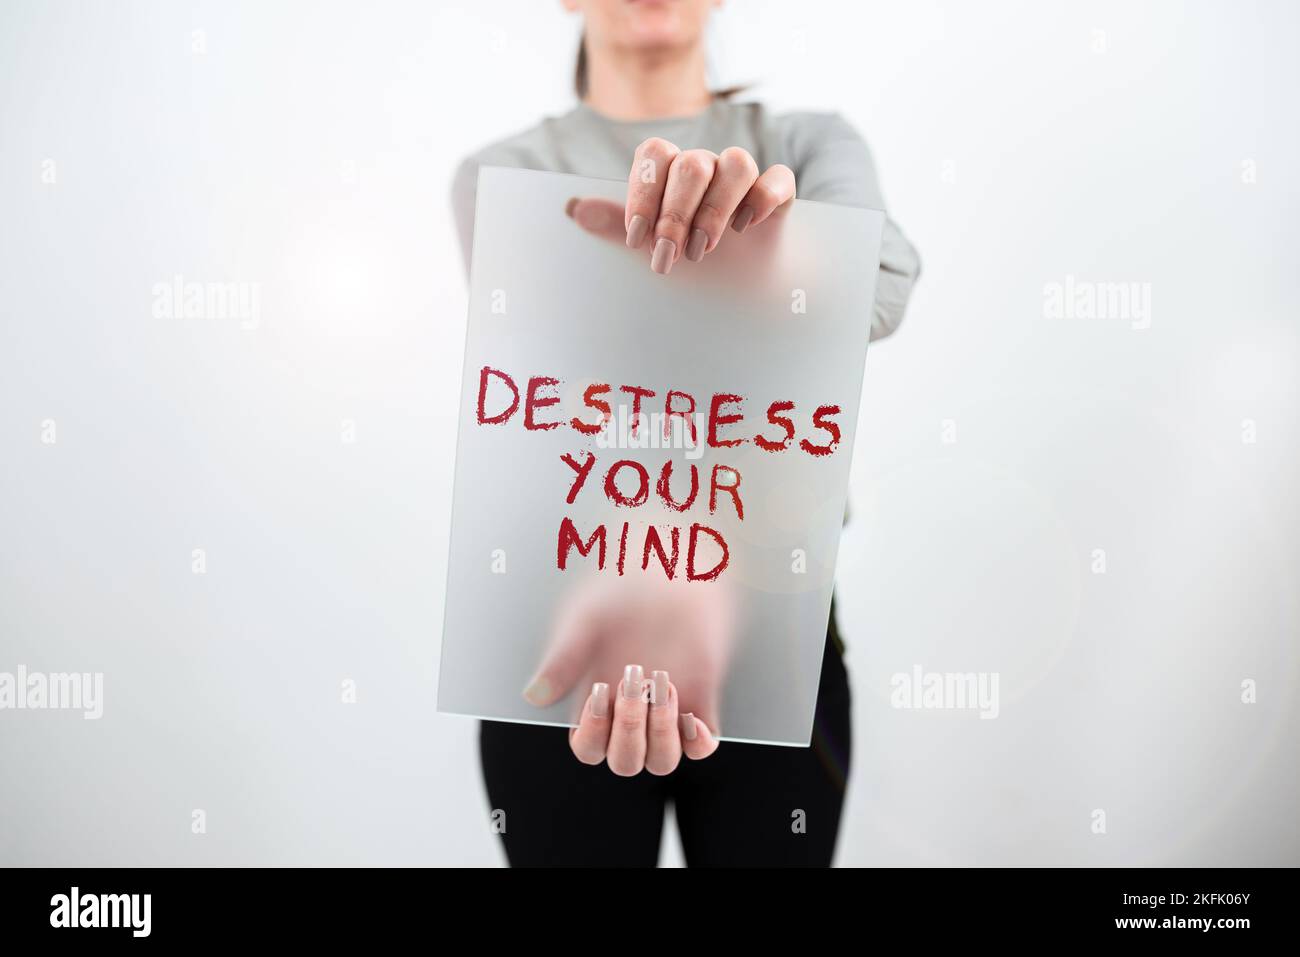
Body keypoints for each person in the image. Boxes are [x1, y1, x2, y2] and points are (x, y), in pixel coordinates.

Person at [451, 0, 920, 867]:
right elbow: (562, 387)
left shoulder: (811, 143)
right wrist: (755, 274)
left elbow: (883, 288)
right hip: (567, 625)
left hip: (777, 634)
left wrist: (760, 235)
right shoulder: (502, 175)